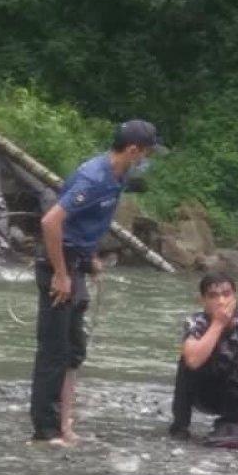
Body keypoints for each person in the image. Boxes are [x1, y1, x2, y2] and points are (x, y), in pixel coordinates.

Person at [30, 119, 163, 445]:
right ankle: (45, 430)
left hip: (77, 264)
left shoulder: (118, 177)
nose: (148, 160)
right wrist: (61, 275)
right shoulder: (94, 178)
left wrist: (89, 259)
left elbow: (81, 224)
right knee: (54, 350)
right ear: (133, 150)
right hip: (57, 268)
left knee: (74, 348)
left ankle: (65, 423)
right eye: (147, 153)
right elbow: (51, 223)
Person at [169, 272, 238, 439]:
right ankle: (180, 426)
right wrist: (218, 323)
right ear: (203, 301)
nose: (221, 301)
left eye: (226, 294)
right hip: (206, 390)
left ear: (234, 296)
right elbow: (193, 361)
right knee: (186, 360)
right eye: (213, 296)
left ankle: (229, 423)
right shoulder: (196, 322)